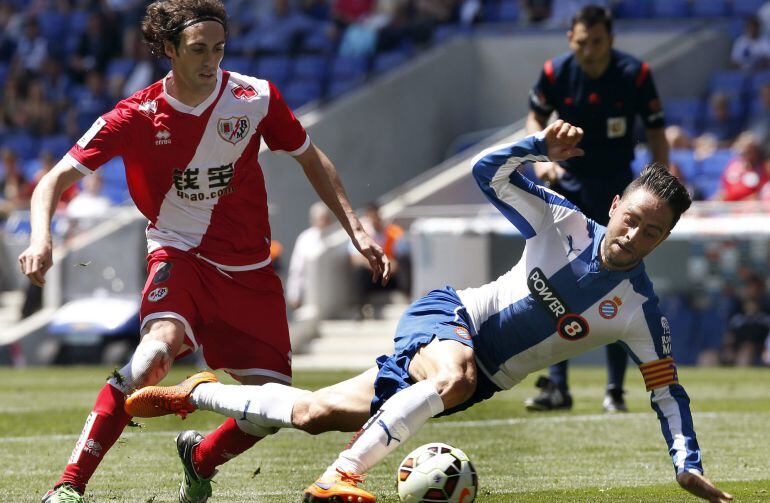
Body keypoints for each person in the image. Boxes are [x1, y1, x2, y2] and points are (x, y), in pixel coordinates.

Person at [126, 120, 733, 503]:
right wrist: (536, 146)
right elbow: (487, 171)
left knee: (313, 412)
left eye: (652, 232)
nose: (633, 235)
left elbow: (667, 392)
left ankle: (197, 395)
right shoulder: (563, 221)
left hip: (478, 382)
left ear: (665, 238)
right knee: (452, 374)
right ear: (617, 202)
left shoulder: (640, 310)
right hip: (450, 321)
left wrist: (687, 466)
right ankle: (341, 476)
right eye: (631, 219)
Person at [18, 2, 390, 502]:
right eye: (198, 50)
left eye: (218, 48)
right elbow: (53, 179)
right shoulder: (134, 115)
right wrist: (41, 237)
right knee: (152, 358)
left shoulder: (254, 97)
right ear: (168, 50)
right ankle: (69, 486)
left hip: (252, 274)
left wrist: (357, 230)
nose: (211, 60)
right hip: (180, 256)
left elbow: (311, 158)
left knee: (269, 409)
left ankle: (200, 460)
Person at [525, 4, 669, 413]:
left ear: (611, 40)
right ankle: (557, 386)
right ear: (570, 40)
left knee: (617, 286)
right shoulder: (555, 73)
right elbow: (533, 119)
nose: (591, 50)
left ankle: (615, 391)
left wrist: (657, 184)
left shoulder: (635, 75)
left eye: (598, 42)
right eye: (583, 42)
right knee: (560, 286)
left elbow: (657, 132)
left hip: (620, 196)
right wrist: (542, 159)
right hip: (568, 189)